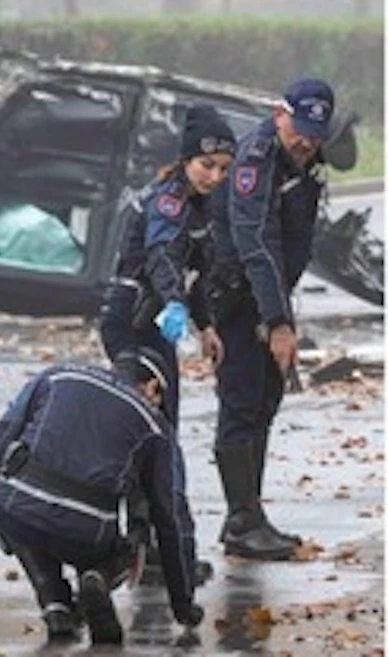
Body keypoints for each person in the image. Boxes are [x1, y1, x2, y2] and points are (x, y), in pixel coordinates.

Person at [0, 347, 203, 645]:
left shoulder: (57, 376)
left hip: (16, 509)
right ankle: (98, 577)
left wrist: (13, 479)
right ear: (154, 387)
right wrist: (183, 604)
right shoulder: (155, 426)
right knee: (130, 535)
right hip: (86, 533)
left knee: (24, 511)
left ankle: (55, 603)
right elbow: (168, 518)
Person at [206, 78, 334, 561]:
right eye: (300, 129)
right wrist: (276, 322)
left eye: (315, 134)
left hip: (266, 298)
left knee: (265, 398)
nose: (306, 141)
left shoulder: (302, 162)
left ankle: (248, 514)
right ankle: (242, 522)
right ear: (279, 114)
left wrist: (277, 313)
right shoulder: (255, 163)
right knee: (241, 400)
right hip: (237, 299)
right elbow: (256, 242)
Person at [98, 105, 236, 428]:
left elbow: (196, 272)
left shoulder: (201, 204)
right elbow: (162, 255)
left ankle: (161, 478)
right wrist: (175, 301)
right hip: (131, 320)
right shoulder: (168, 203)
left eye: (224, 169)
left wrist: (205, 325)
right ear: (187, 159)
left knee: (163, 419)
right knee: (143, 416)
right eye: (207, 165)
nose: (215, 177)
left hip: (156, 321)